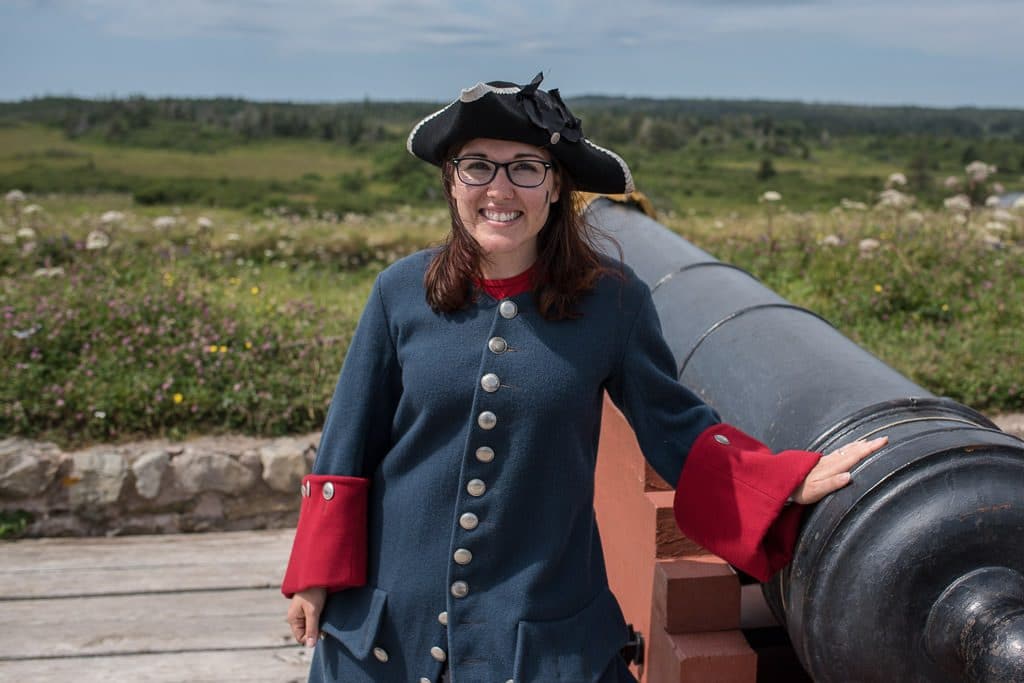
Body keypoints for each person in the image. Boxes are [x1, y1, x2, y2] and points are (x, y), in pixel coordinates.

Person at [282, 73, 886, 683]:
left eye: (525, 167)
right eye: (477, 168)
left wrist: (776, 484)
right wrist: (314, 576)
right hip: (392, 624)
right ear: (451, 182)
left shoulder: (613, 302)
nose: (499, 188)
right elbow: (348, 443)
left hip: (538, 630)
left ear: (555, 187)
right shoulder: (399, 292)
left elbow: (675, 428)